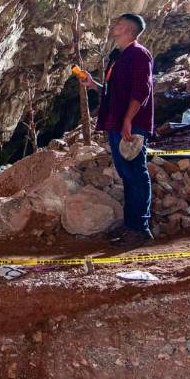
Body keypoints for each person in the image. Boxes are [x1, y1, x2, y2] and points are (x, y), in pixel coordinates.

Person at [78, 13, 155, 247]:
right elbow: (113, 92)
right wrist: (93, 84)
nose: (114, 26)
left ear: (130, 30)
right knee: (127, 174)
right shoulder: (118, 56)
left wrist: (128, 120)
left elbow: (142, 90)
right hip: (118, 122)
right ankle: (132, 225)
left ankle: (141, 229)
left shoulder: (139, 54)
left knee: (136, 173)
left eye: (119, 24)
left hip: (131, 125)